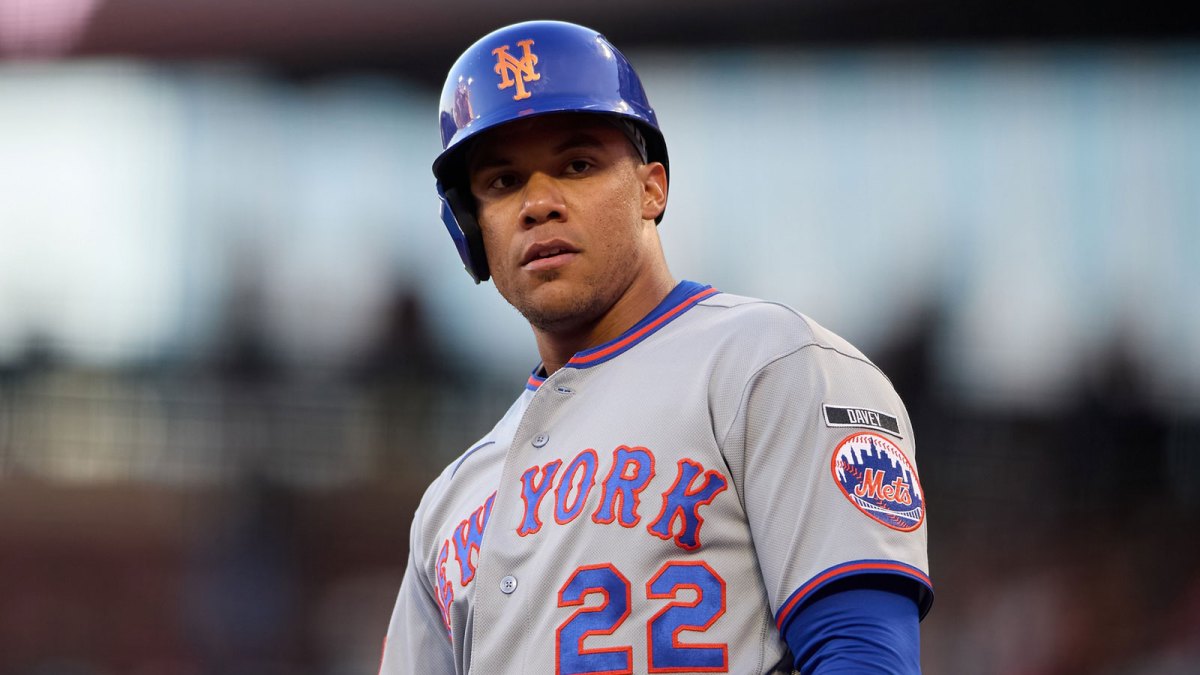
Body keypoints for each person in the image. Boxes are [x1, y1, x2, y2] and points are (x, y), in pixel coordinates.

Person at [380, 20, 932, 674]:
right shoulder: (450, 503)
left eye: (577, 165)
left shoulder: (772, 363)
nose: (539, 204)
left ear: (652, 187)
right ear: (472, 230)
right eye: (502, 182)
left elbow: (862, 652)